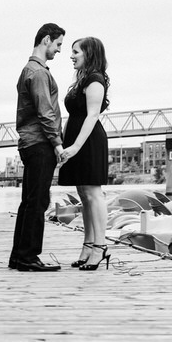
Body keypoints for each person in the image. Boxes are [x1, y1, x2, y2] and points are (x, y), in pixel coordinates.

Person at [9, 23, 65, 272]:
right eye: (58, 44)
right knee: (38, 201)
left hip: (30, 142)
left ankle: (19, 256)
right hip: (40, 143)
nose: (59, 50)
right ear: (46, 40)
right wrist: (57, 144)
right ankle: (29, 257)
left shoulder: (28, 70)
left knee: (29, 201)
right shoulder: (39, 73)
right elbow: (46, 112)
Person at [58, 37, 111, 271]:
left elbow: (92, 115)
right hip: (77, 139)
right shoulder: (81, 80)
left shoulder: (95, 79)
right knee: (83, 193)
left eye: (76, 52)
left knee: (93, 193)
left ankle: (100, 246)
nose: (71, 56)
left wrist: (76, 146)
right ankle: (88, 245)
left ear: (89, 54)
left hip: (89, 142)